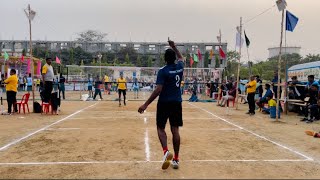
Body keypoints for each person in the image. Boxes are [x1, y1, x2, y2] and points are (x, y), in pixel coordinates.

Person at [138, 39, 183, 170]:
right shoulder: (180, 67)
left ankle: (165, 151)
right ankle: (176, 159)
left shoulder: (163, 71)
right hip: (176, 103)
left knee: (160, 128)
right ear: (174, 58)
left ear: (165, 59)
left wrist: (145, 104)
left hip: (164, 103)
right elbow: (181, 57)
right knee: (175, 130)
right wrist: (174, 46)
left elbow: (158, 89)